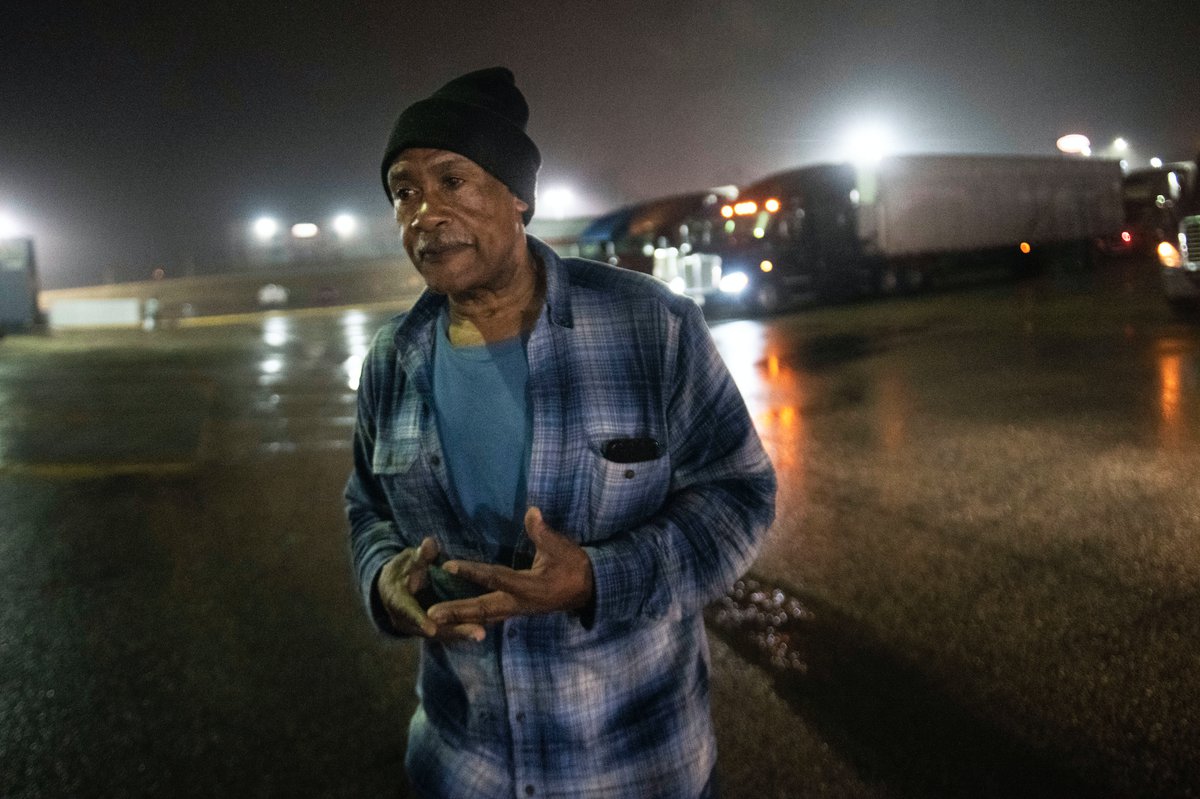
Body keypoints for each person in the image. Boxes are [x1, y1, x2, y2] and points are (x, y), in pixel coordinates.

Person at [345, 66, 776, 799]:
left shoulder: (650, 325)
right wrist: (384, 579)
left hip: (636, 762)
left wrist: (599, 577)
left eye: (452, 181)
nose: (422, 213)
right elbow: (367, 509)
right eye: (404, 191)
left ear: (518, 198)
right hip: (462, 767)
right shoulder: (393, 358)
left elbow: (739, 495)